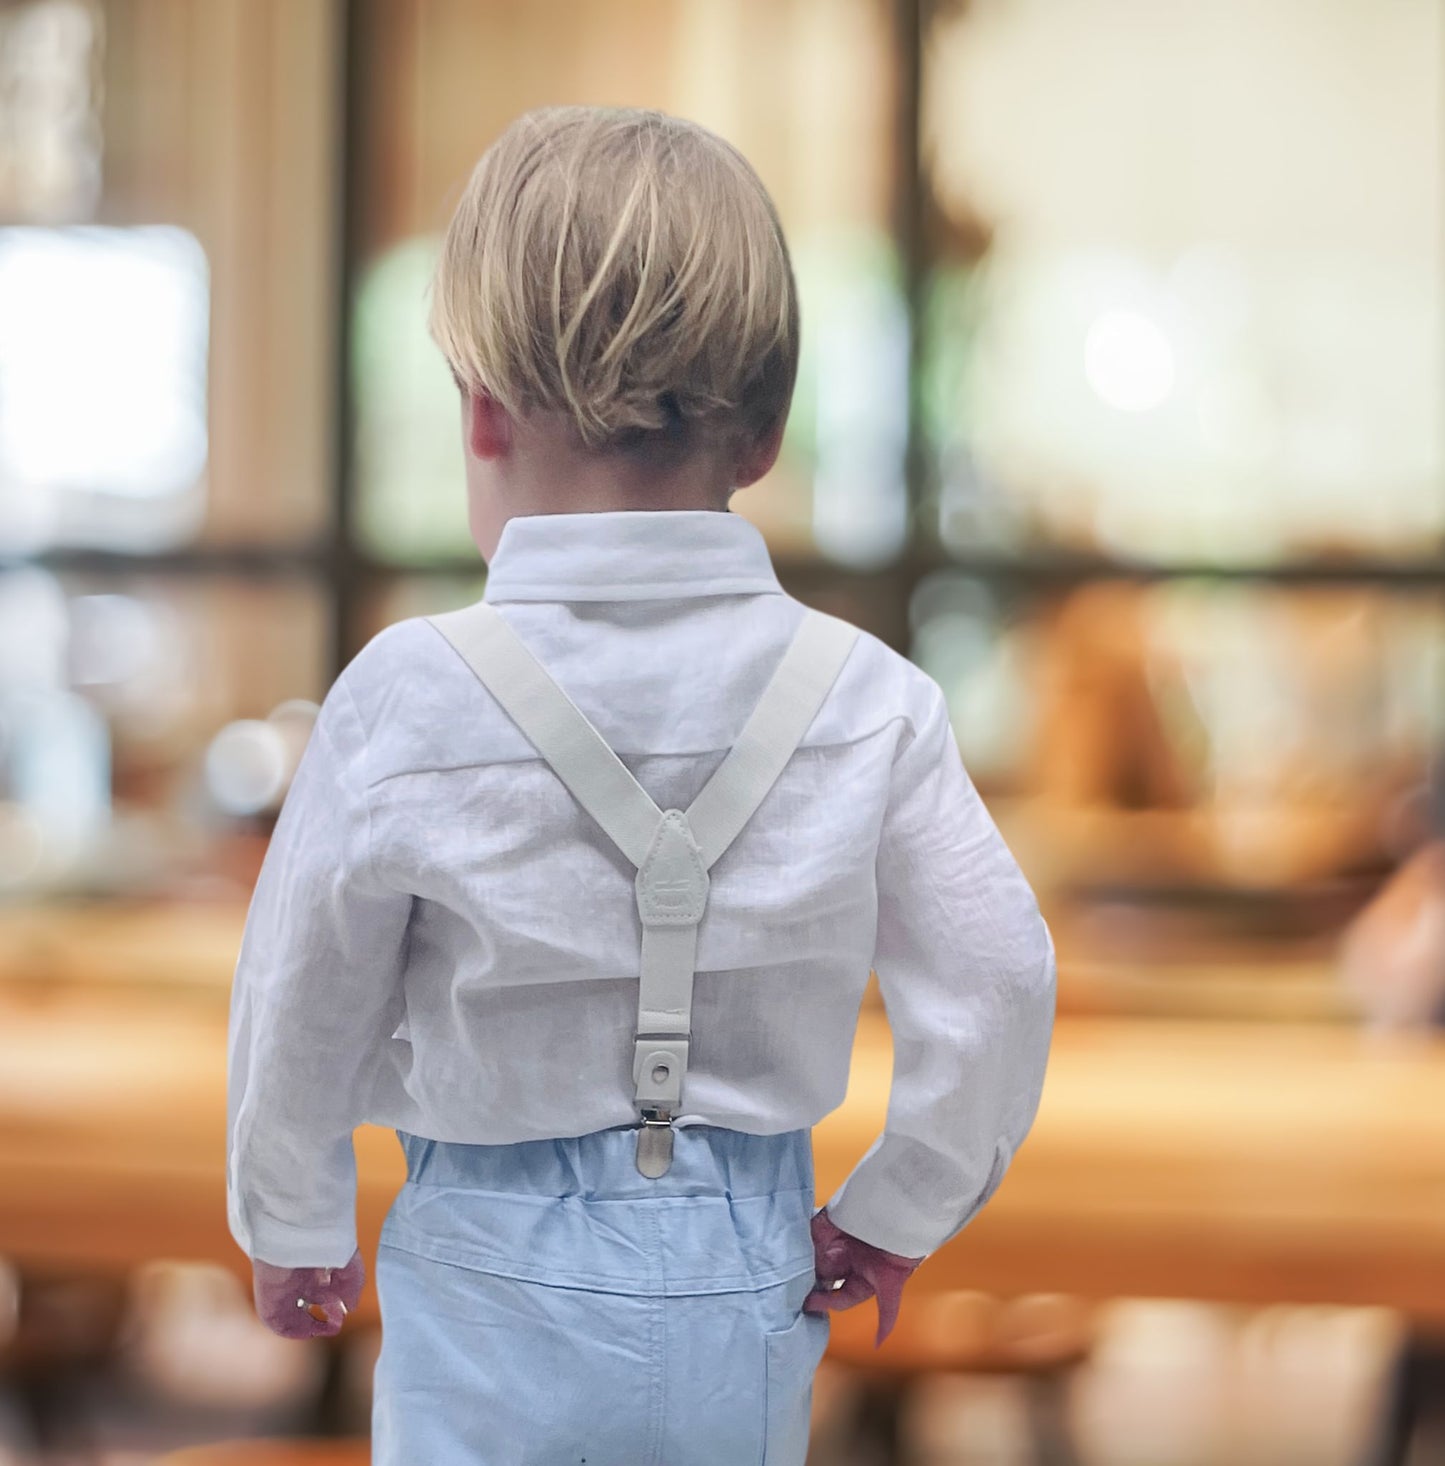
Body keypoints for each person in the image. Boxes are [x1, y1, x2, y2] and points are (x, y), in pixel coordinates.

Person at [226, 104, 1056, 1466]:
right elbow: (1002, 973)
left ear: (481, 409)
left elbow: (300, 990)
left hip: (484, 1259)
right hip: (748, 1257)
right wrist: (901, 1198)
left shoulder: (405, 690)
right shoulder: (865, 698)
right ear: (766, 433)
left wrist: (292, 1216)